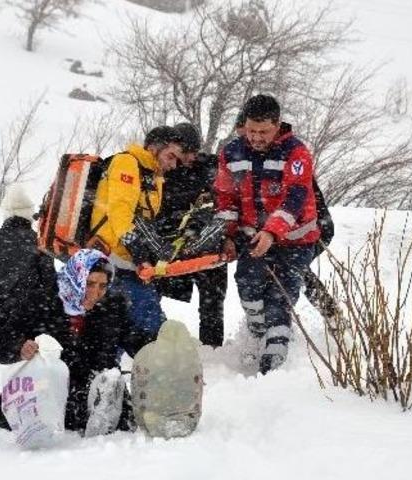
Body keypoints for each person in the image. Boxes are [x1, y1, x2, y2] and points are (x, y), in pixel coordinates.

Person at [213, 94, 320, 374]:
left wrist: (272, 231)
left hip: (295, 240)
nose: (257, 137)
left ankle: (274, 365)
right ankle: (258, 333)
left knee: (279, 297)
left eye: (263, 131)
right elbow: (225, 198)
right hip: (253, 238)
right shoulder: (231, 152)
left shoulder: (296, 152)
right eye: (251, 131)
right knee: (248, 286)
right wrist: (227, 234)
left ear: (277, 125)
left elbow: (296, 196)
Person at [0, 185, 62, 429]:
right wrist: (53, 329)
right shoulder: (39, 243)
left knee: (20, 371)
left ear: (6, 214)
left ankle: (3, 415)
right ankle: (12, 415)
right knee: (36, 371)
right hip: (32, 322)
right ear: (28, 215)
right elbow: (49, 291)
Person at [89, 126, 185, 336]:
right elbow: (120, 213)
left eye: (177, 160)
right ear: (153, 148)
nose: (173, 164)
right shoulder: (127, 163)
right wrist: (139, 252)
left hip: (129, 261)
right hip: (111, 257)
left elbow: (146, 219)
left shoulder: (154, 178)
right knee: (145, 320)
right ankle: (160, 357)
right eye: (170, 156)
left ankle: (117, 364)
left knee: (121, 322)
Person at [54, 249, 153, 434]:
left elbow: (135, 341)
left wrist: (161, 347)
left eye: (102, 286)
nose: (95, 293)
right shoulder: (51, 304)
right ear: (77, 278)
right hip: (57, 394)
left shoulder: (111, 308)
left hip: (102, 390)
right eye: (89, 284)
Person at [155, 122, 228, 347]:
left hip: (205, 242)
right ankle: (151, 343)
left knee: (212, 299)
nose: (191, 158)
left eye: (195, 153)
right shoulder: (163, 171)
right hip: (170, 245)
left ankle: (212, 348)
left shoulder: (208, 166)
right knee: (150, 291)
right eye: (187, 153)